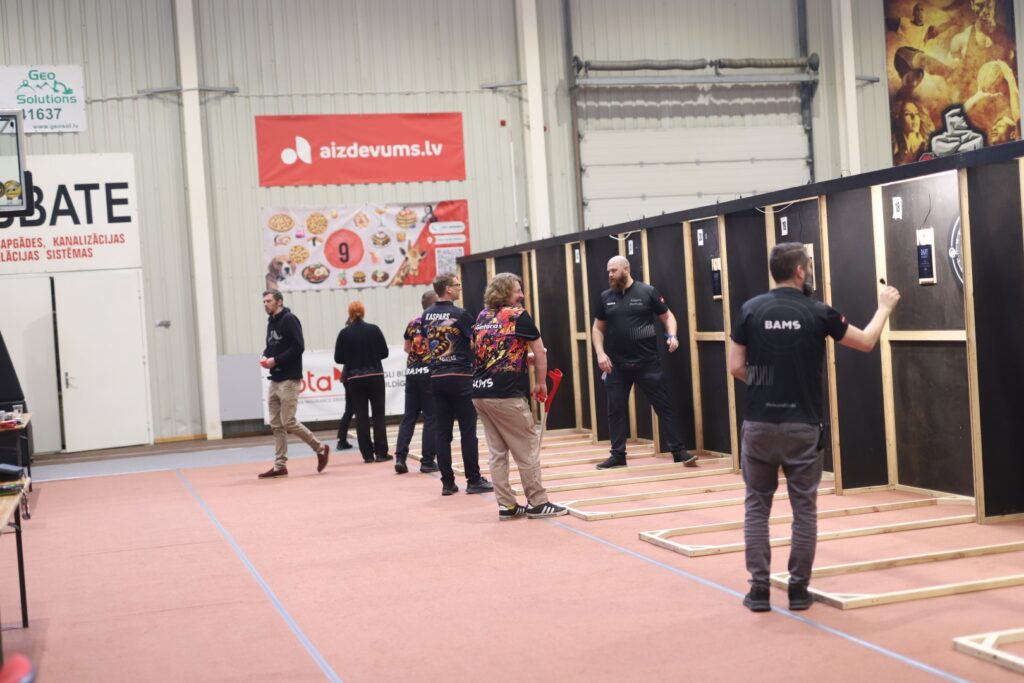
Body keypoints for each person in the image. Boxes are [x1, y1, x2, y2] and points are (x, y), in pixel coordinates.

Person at [728, 243, 900, 613]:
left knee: (756, 508)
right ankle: (798, 591)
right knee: (803, 510)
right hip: (802, 427)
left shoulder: (750, 309)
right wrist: (884, 307)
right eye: (809, 266)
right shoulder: (819, 311)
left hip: (759, 426)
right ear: (800, 271)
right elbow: (866, 342)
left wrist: (769, 381)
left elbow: (736, 367)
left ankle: (759, 591)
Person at [472, 273, 567, 520]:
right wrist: (541, 383)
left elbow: (489, 352)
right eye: (517, 291)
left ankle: (507, 505)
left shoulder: (482, 316)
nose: (522, 295)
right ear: (505, 293)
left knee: (497, 452)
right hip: (506, 394)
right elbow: (541, 352)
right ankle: (538, 502)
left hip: (480, 392)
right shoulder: (518, 315)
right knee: (527, 449)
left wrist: (522, 359)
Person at [591, 255, 696, 470]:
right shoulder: (605, 297)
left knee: (664, 407)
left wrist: (672, 336)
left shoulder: (647, 292)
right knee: (616, 410)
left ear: (626, 269)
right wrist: (600, 353)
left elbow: (668, 317)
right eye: (608, 271)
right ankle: (618, 455)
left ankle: (679, 452)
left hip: (647, 364)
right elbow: (597, 328)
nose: (610, 275)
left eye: (614, 270)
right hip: (617, 366)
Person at [423, 272, 493, 496]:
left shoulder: (426, 315)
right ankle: (473, 480)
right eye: (456, 284)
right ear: (447, 289)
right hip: (461, 376)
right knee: (467, 430)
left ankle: (447, 483)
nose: (460, 287)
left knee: (442, 432)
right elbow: (475, 343)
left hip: (437, 377)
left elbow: (427, 341)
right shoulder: (461, 314)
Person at [258, 290, 330, 478]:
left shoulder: (289, 319)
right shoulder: (271, 322)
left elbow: (298, 347)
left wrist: (276, 360)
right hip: (275, 379)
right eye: (264, 301)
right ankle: (279, 465)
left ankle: (320, 448)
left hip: (289, 379)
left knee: (288, 421)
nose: (265, 304)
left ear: (279, 302)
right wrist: (266, 356)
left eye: (269, 301)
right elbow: (271, 346)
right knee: (276, 424)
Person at [334, 301, 392, 463]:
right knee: (378, 415)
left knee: (361, 416)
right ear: (363, 312)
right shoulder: (374, 329)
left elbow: (338, 358)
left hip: (354, 378)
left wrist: (351, 357)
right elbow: (384, 353)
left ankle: (367, 454)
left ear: (349, 313)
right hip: (375, 375)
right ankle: (381, 453)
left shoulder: (344, 333)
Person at [394, 290, 440, 475]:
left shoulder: (413, 322)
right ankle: (427, 461)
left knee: (409, 417)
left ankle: (400, 458)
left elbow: (407, 347)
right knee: (431, 417)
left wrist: (417, 357)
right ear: (433, 304)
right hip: (428, 373)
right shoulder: (435, 322)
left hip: (412, 372)